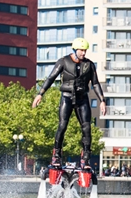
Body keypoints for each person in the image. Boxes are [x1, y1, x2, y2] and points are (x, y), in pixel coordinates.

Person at [32, 37, 107, 170]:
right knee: (62, 125)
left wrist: (102, 100)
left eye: (85, 50)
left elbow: (95, 83)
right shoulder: (63, 61)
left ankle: (85, 158)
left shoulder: (89, 64)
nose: (84, 53)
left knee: (87, 128)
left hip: (82, 99)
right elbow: (50, 78)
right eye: (81, 50)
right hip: (67, 97)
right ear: (75, 49)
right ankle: (56, 154)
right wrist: (40, 94)